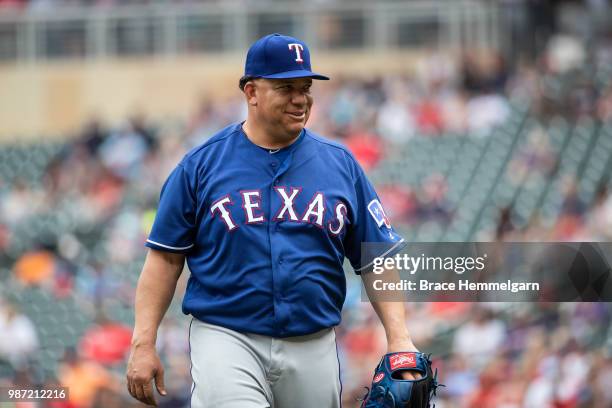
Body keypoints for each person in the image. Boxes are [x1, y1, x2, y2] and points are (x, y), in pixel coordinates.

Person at [126, 33, 420, 408]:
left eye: (306, 87)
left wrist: (399, 338)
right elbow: (164, 259)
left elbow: (375, 258)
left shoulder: (340, 165)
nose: (300, 98)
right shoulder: (200, 167)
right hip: (227, 337)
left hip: (313, 341)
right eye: (286, 88)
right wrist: (143, 343)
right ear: (251, 92)